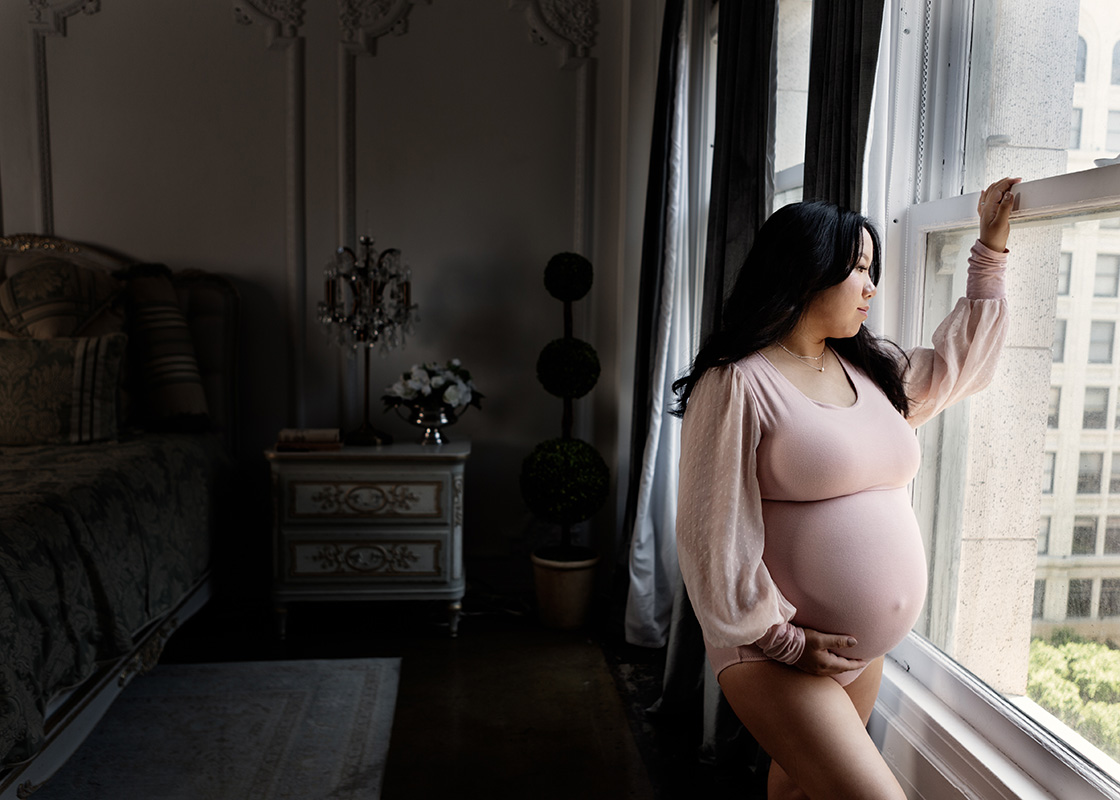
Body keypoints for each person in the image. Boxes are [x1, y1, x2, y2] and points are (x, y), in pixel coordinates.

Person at [671, 176, 1021, 800]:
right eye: (856, 270)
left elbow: (956, 367)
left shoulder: (869, 367)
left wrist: (989, 253)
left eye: (872, 268)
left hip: (853, 652)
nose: (871, 287)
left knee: (801, 793)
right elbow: (710, 538)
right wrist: (785, 640)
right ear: (805, 274)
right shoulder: (737, 384)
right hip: (774, 649)